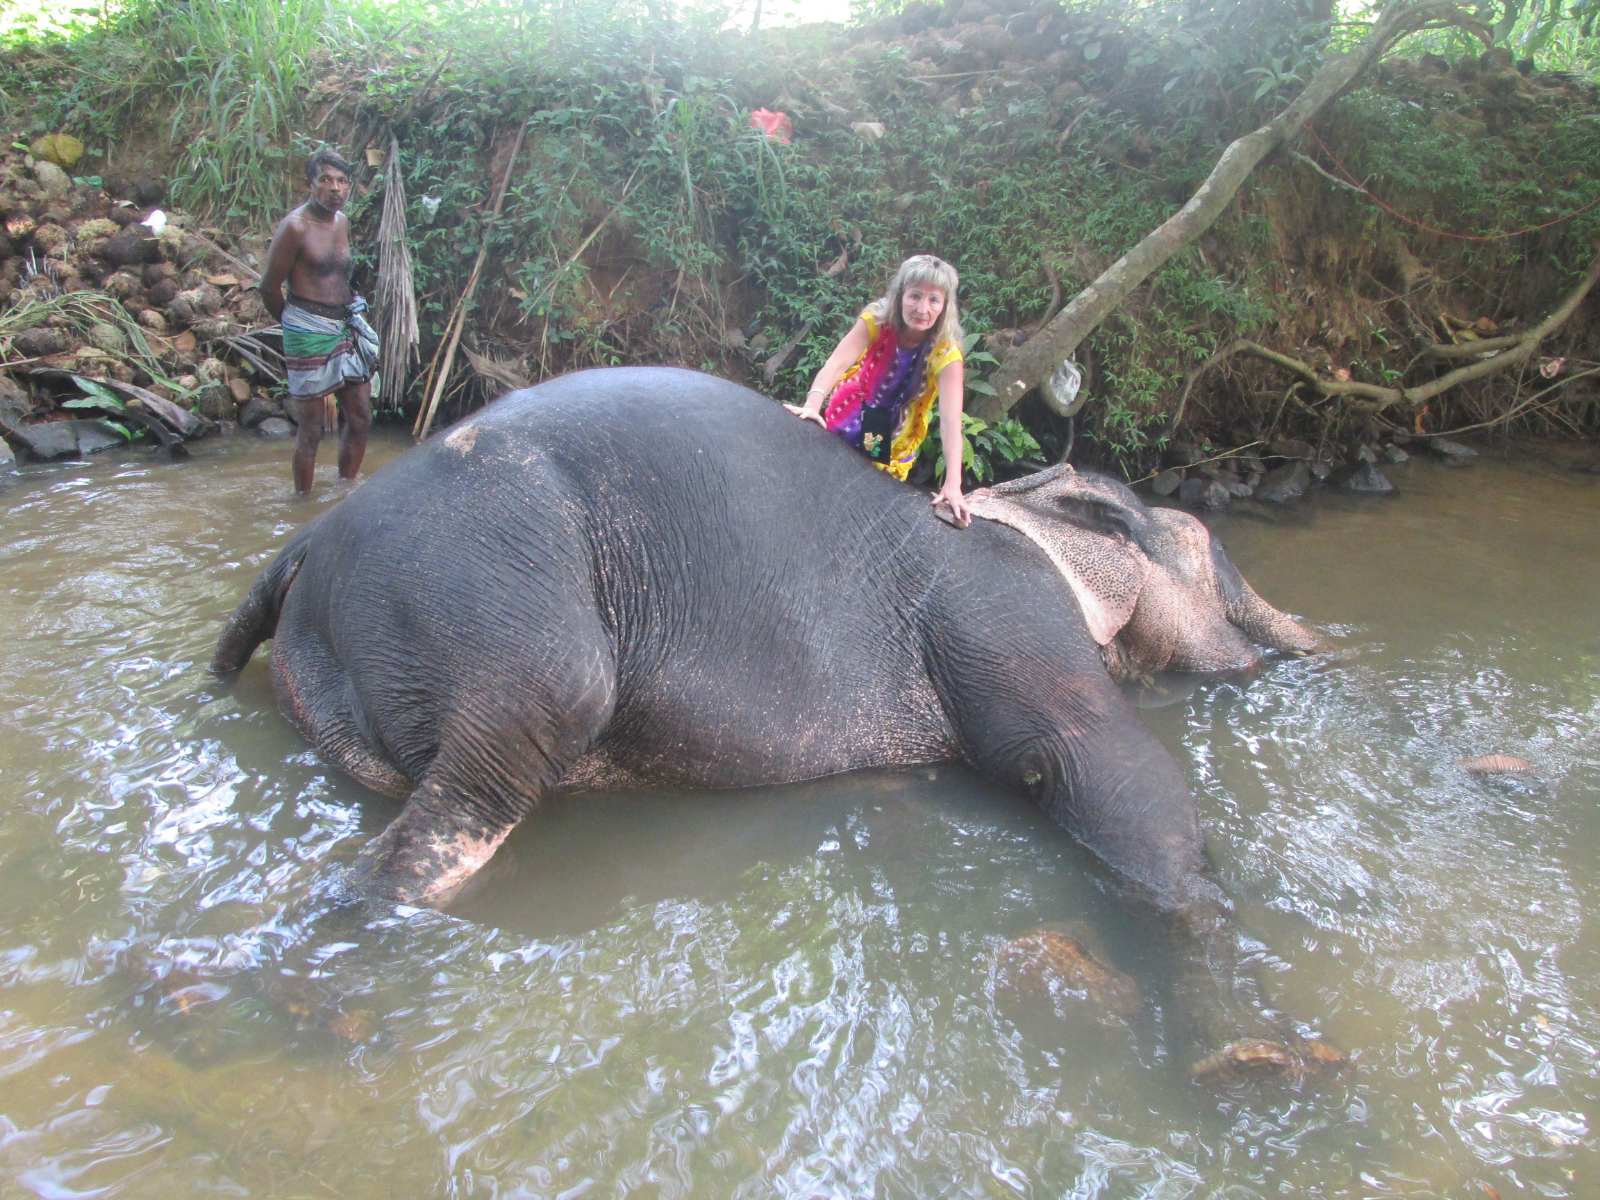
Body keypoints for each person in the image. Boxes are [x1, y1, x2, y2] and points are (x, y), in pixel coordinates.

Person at [785, 254, 970, 526]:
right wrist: (812, 405)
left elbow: (951, 421)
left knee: (857, 505)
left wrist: (953, 484)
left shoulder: (946, 353)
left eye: (933, 300)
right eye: (915, 296)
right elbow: (837, 362)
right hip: (852, 409)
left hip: (888, 430)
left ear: (944, 306)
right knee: (816, 485)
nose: (922, 308)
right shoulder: (878, 320)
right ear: (900, 295)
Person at [260, 147, 379, 495]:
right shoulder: (295, 228)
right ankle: (303, 504)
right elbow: (268, 287)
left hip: (345, 325)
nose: (335, 188)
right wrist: (295, 327)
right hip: (307, 330)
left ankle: (346, 490)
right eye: (326, 180)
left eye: (342, 181)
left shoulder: (342, 222)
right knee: (311, 430)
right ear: (311, 184)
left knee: (360, 417)